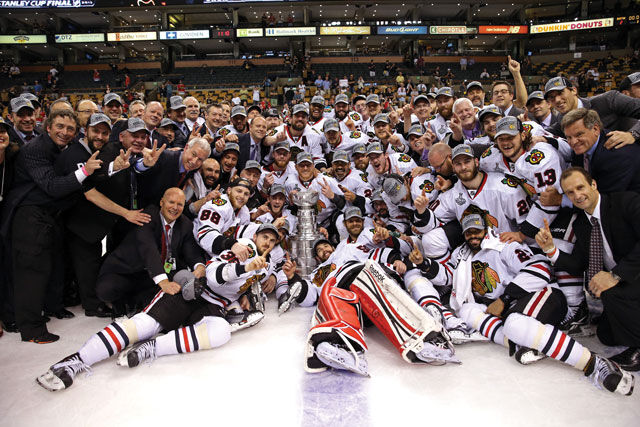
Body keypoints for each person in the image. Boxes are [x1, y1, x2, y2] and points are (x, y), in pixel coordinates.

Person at [36, 194, 282, 392]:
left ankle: (152, 348)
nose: (267, 243)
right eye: (265, 237)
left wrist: (247, 292)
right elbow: (215, 273)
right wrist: (245, 267)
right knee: (144, 325)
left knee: (220, 333)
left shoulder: (267, 263)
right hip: (194, 292)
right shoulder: (246, 250)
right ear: (255, 236)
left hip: (213, 306)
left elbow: (247, 282)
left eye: (272, 241)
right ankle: (76, 360)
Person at [429, 214, 634, 396]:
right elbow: (448, 276)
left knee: (514, 324)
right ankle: (526, 342)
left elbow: (539, 269)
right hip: (511, 306)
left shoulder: (505, 245)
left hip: (543, 294)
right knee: (466, 310)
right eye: (468, 232)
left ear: (486, 229)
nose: (473, 236)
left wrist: (504, 300)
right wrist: (422, 264)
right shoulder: (462, 254)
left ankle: (595, 364)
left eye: (477, 230)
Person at [2, 109, 103, 343]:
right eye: (59, 127)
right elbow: (52, 186)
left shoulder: (56, 148)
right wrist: (85, 170)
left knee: (42, 270)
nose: (65, 132)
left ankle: (41, 316)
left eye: (69, 128)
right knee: (31, 274)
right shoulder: (36, 148)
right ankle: (32, 330)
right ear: (47, 127)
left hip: (43, 217)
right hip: (28, 218)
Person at [536, 167, 640, 372]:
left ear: (593, 185)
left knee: (610, 292)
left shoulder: (626, 202)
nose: (577, 195)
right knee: (606, 335)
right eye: (570, 192)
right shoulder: (583, 223)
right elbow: (579, 264)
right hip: (625, 282)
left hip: (632, 274)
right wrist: (550, 250)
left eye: (580, 187)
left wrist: (615, 275)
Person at [543, 77, 640, 147]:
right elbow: (544, 132)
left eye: (560, 93)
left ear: (573, 90)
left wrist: (633, 134)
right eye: (552, 97)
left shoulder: (609, 100)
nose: (557, 100)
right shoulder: (561, 120)